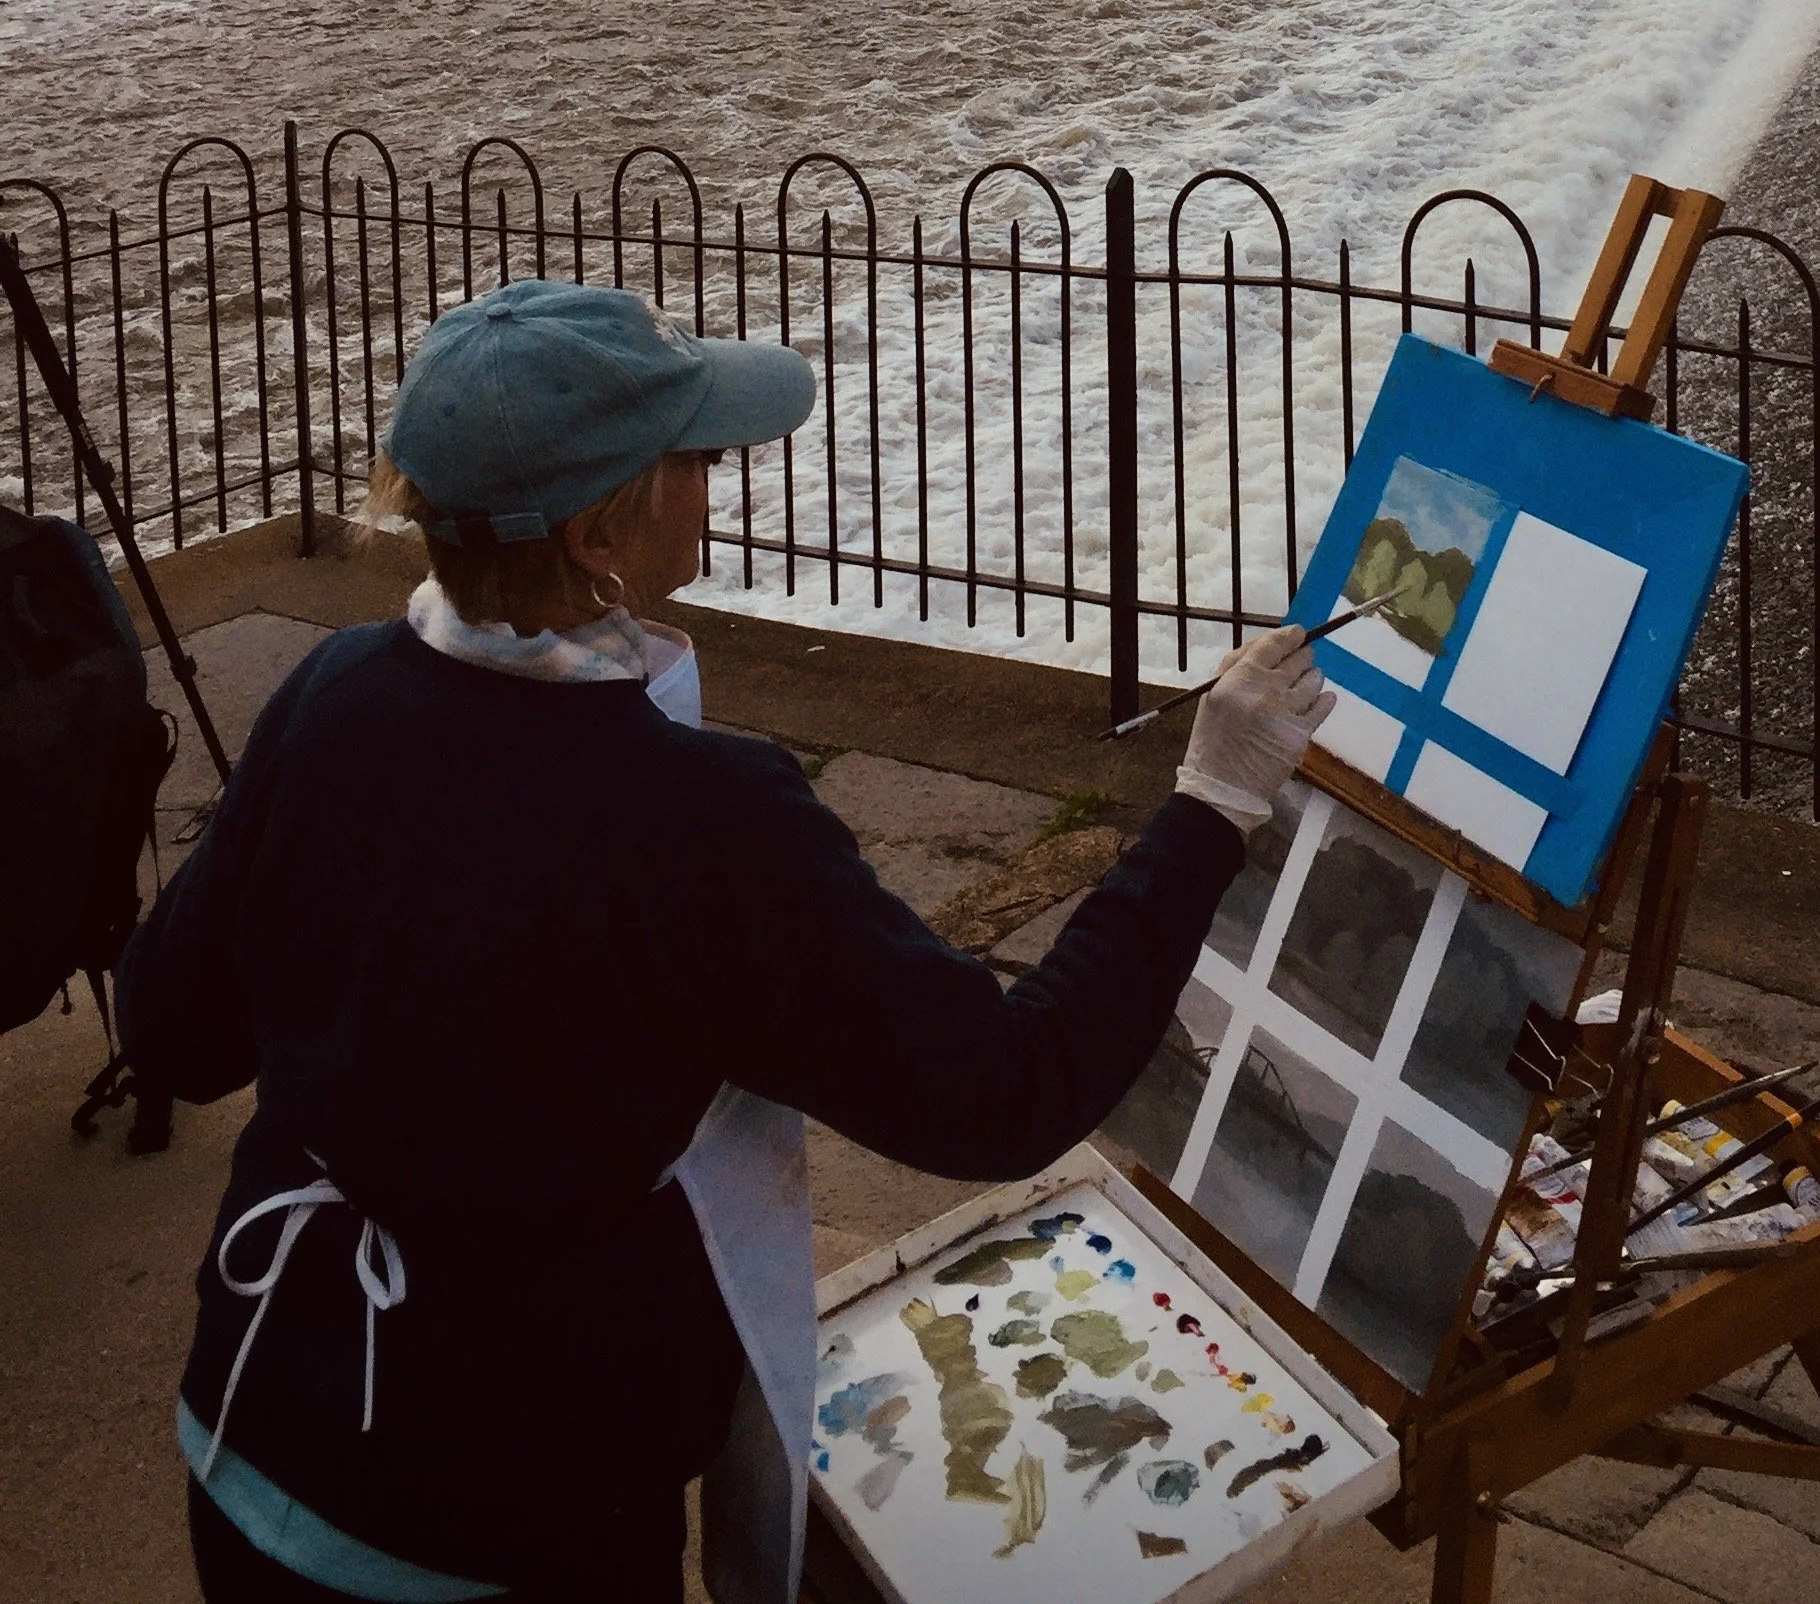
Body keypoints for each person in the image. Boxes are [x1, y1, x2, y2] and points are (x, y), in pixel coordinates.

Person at [120, 279, 1330, 1604]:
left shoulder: (332, 691)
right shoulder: (696, 811)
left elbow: (174, 1032)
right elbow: (1003, 1089)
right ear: (599, 533)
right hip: (509, 1531)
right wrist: (1213, 802)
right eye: (692, 457)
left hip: (251, 1449)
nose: (718, 477)